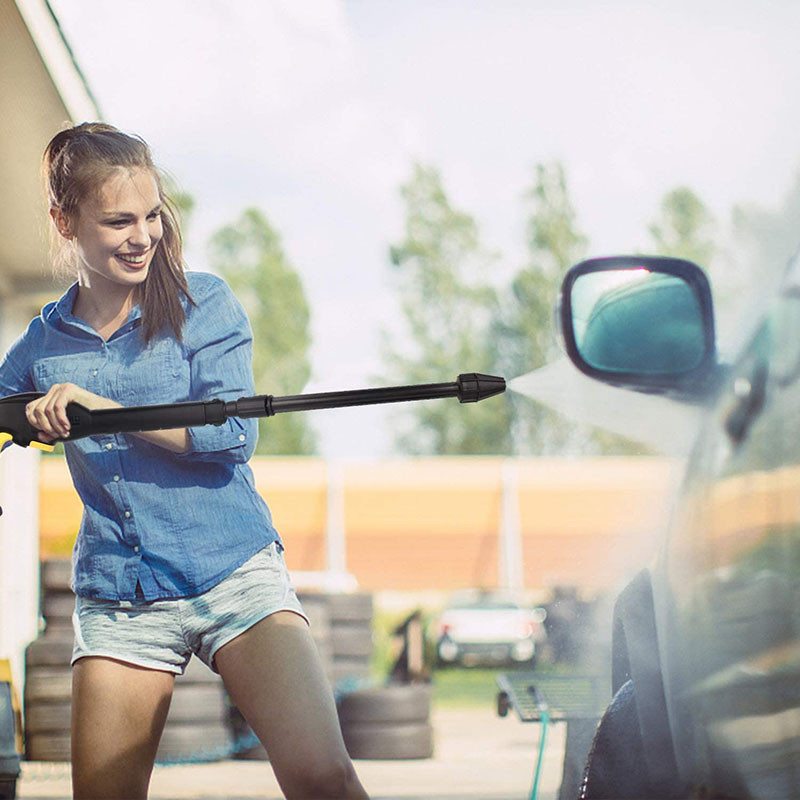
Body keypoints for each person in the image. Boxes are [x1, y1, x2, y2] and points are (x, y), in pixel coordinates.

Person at [0, 122, 369, 800]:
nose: (143, 236)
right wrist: (21, 419)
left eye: (151, 216)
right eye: (118, 221)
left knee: (324, 777)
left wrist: (100, 410)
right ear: (65, 219)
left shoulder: (204, 305)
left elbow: (231, 436)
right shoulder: (40, 347)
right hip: (121, 597)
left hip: (232, 573)